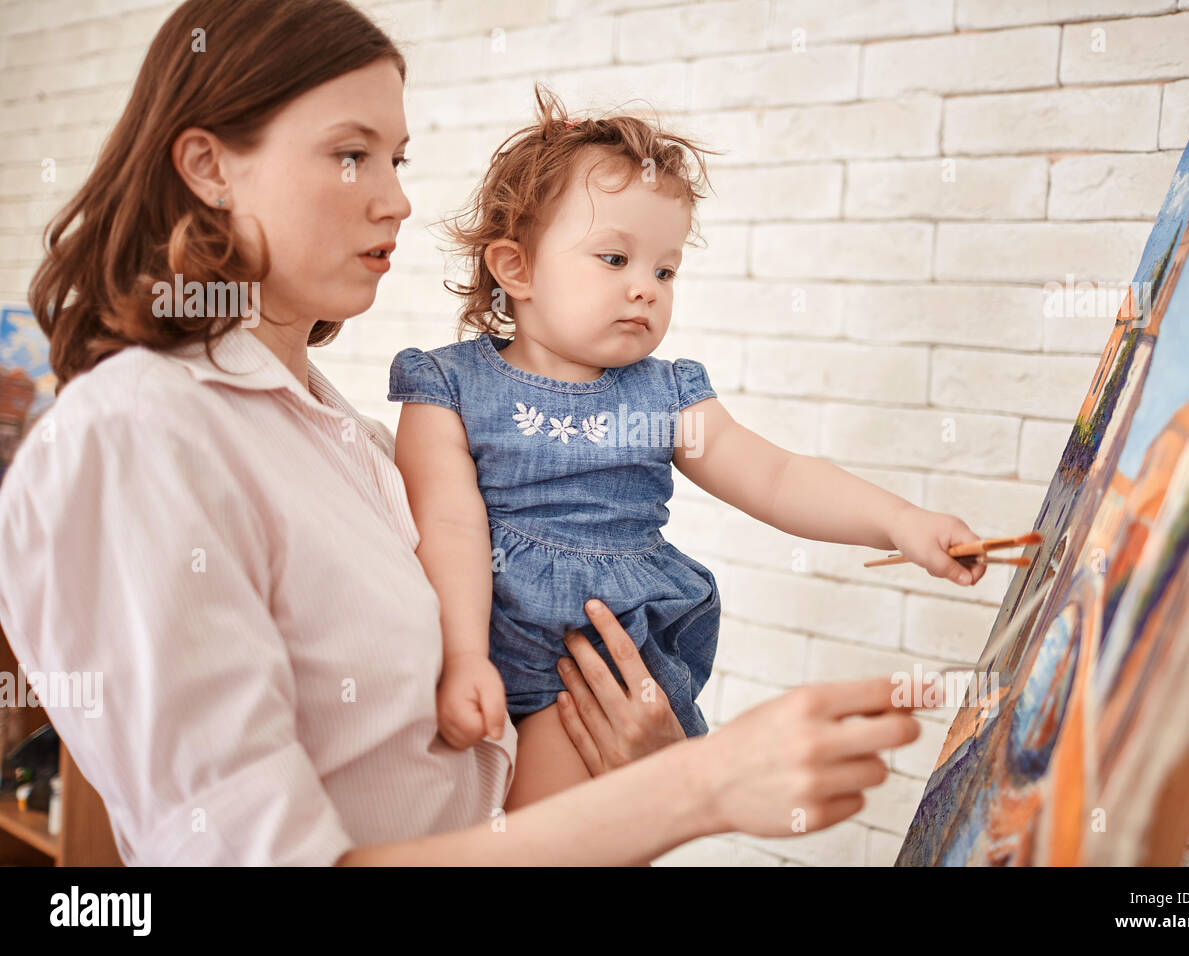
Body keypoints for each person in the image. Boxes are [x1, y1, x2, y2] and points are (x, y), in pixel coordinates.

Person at [0, 0, 949, 866]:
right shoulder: (132, 439)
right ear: (208, 166)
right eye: (350, 154)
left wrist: (646, 767)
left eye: (398, 160)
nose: (397, 199)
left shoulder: (348, 442)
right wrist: (695, 789)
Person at [387, 86, 989, 811]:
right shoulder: (447, 386)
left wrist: (900, 522)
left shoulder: (665, 395)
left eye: (664, 271)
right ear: (516, 269)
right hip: (478, 627)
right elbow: (446, 529)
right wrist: (461, 658)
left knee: (560, 829)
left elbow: (775, 474)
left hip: (595, 654)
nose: (645, 290)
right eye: (614, 259)